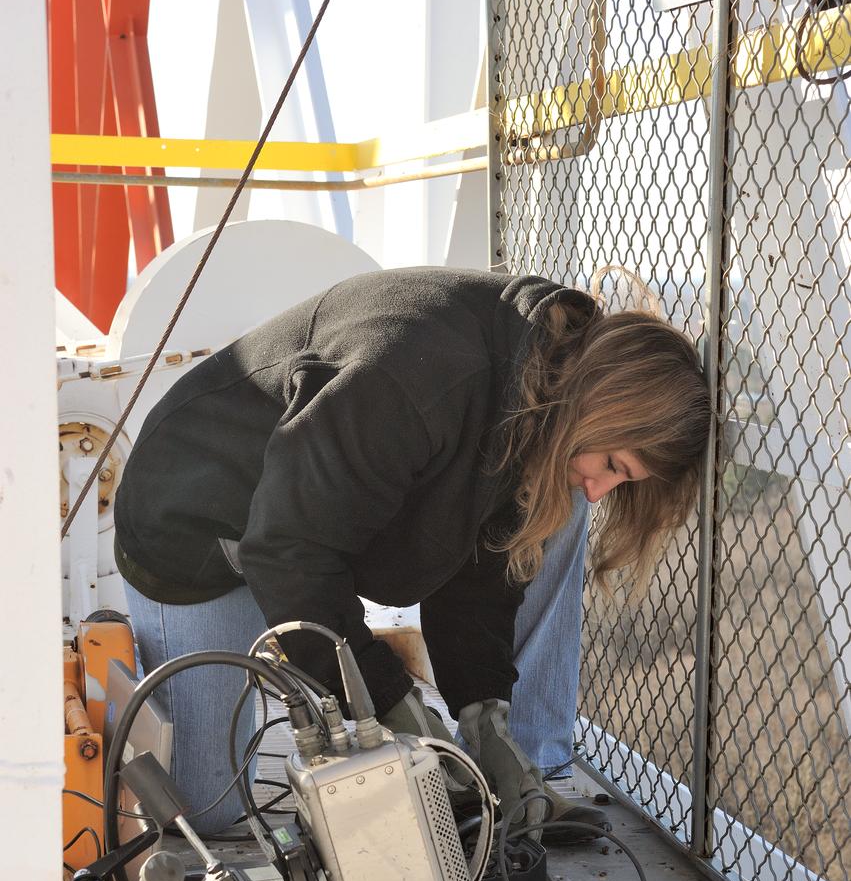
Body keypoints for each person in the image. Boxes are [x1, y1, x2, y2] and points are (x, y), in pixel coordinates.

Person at [114, 266, 711, 836]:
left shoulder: (541, 389)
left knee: (563, 505)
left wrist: (484, 714)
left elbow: (480, 570)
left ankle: (527, 760)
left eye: (623, 481)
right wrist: (392, 705)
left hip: (306, 525)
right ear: (599, 401)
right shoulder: (416, 376)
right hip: (200, 522)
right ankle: (117, 660)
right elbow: (289, 551)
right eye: (611, 465)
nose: (600, 489)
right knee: (200, 809)